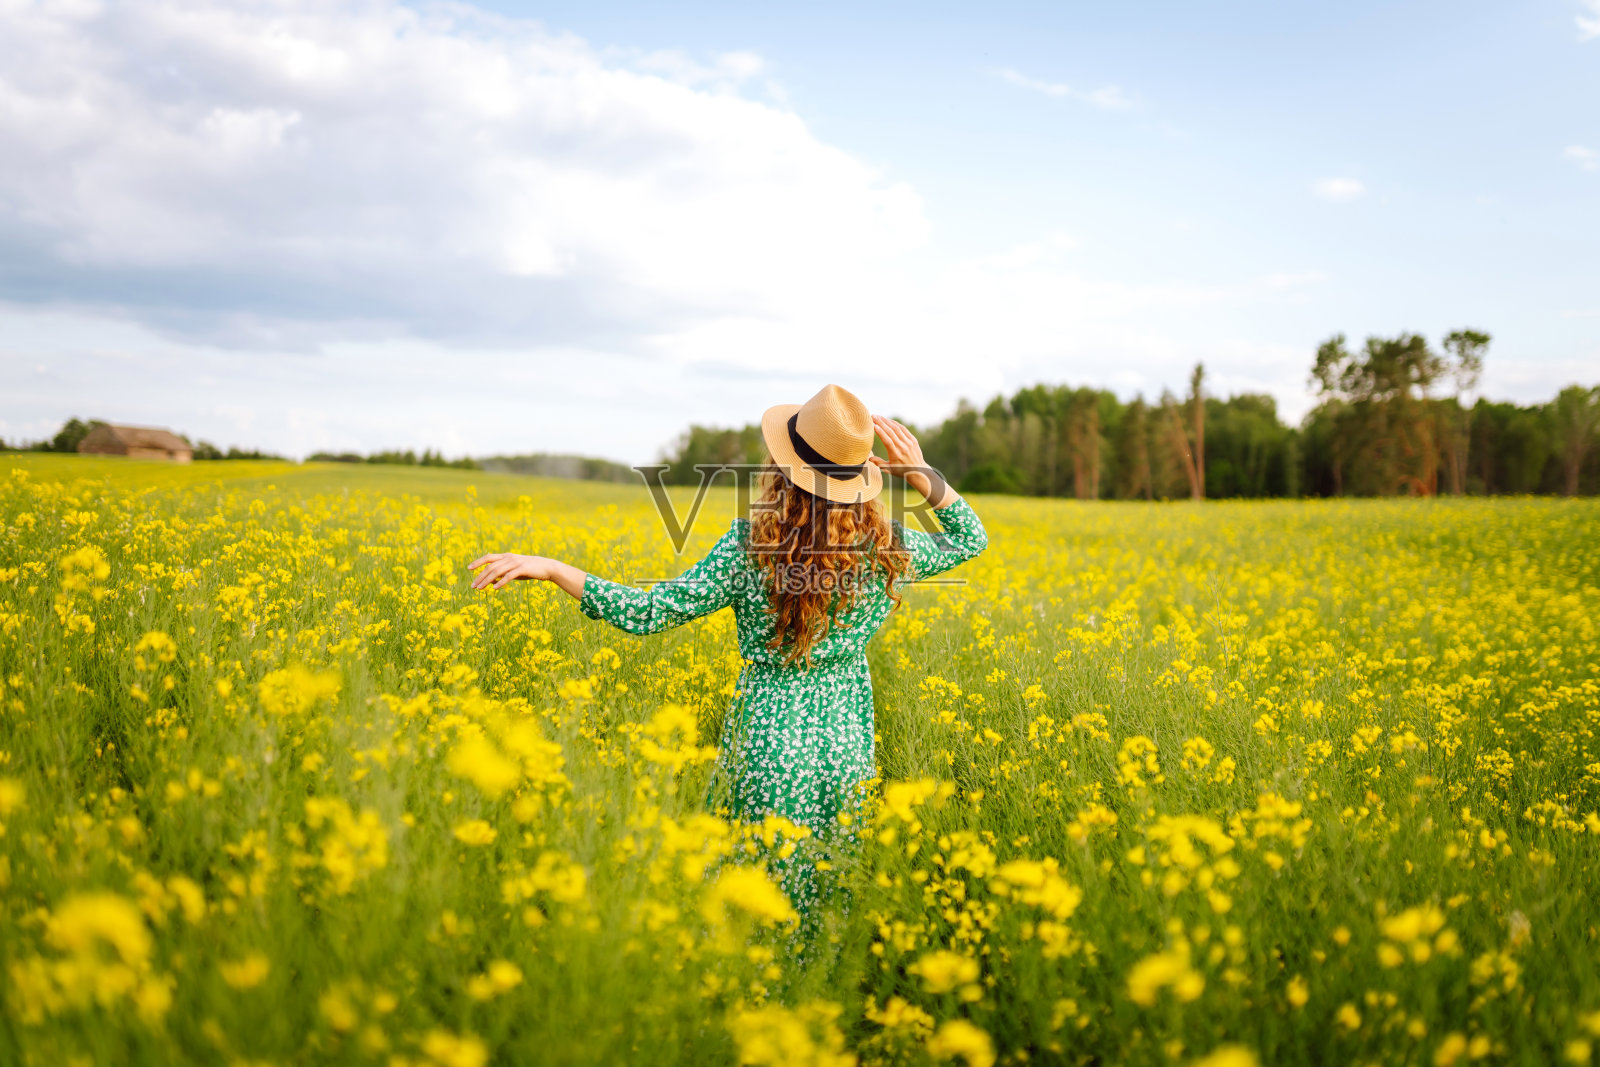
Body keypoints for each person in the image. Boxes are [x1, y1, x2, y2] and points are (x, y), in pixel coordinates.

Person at [467, 384, 988, 941]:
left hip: (768, 733)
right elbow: (969, 540)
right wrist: (923, 473)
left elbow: (648, 611)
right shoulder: (882, 546)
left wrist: (551, 568)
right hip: (845, 738)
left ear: (782, 469)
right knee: (826, 888)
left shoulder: (750, 546)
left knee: (750, 894)